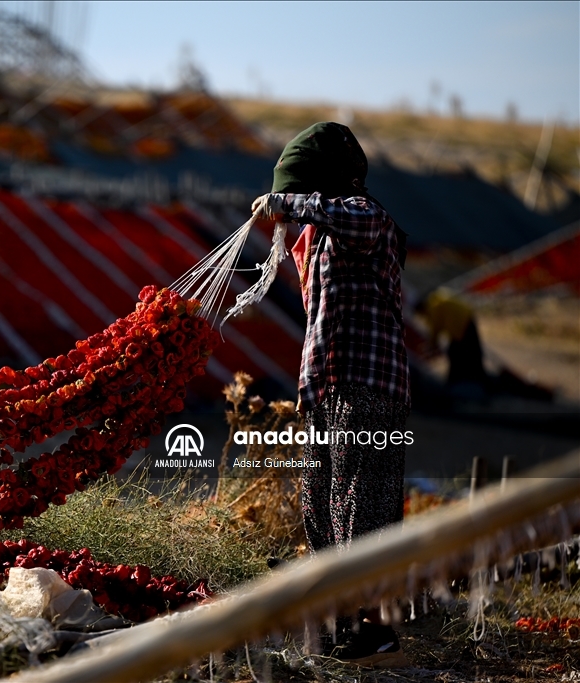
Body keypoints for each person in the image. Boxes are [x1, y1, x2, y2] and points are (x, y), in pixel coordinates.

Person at [252, 122, 411, 668]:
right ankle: (342, 621)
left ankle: (379, 631)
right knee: (320, 504)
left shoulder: (370, 220)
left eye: (303, 190)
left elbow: (344, 215)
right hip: (325, 389)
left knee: (363, 506)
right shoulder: (314, 239)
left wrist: (285, 200)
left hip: (370, 388)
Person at [416, 287, 487, 390]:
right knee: (470, 350)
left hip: (461, 325)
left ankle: (461, 381)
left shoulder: (433, 308)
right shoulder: (435, 303)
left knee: (458, 352)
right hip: (465, 319)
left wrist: (431, 346)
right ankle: (473, 378)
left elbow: (435, 330)